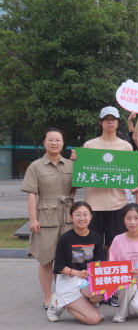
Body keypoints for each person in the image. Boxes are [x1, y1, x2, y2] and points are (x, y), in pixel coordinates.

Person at [22, 128, 76, 311]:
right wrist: (33, 219)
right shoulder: (36, 166)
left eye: (58, 140)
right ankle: (47, 298)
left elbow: (73, 190)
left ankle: (62, 296)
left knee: (65, 260)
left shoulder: (70, 165)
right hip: (45, 216)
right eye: (50, 140)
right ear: (44, 142)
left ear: (63, 143)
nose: (54, 143)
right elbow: (31, 194)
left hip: (67, 216)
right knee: (46, 259)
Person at [82, 107, 134, 249]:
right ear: (100, 122)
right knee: (93, 246)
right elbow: (83, 173)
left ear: (118, 122)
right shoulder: (89, 145)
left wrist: (134, 186)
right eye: (106, 119)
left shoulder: (126, 147)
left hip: (118, 203)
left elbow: (130, 176)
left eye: (113, 119)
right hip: (94, 203)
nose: (110, 122)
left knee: (115, 246)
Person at [47, 202, 106, 324]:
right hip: (69, 279)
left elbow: (100, 262)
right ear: (71, 218)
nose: (82, 218)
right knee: (94, 319)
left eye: (85, 214)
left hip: (87, 279)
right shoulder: (65, 238)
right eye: (78, 215)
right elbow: (59, 266)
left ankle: (87, 304)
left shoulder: (96, 237)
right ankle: (59, 302)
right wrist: (76, 273)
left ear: (91, 216)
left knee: (99, 295)